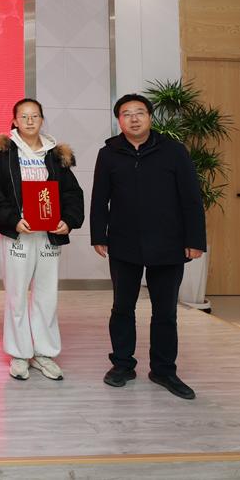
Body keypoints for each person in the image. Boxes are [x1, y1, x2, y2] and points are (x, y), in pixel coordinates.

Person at [91, 93, 206, 400]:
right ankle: (122, 365)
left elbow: (191, 198)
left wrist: (195, 240)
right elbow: (100, 197)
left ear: (150, 117)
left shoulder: (174, 151)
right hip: (124, 243)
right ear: (119, 121)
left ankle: (164, 370)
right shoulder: (109, 153)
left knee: (165, 311)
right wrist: (98, 235)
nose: (134, 118)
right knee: (122, 308)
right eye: (126, 114)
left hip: (169, 244)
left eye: (139, 112)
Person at [0, 98, 84, 381]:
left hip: (48, 235)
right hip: (19, 233)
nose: (29, 121)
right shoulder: (4, 154)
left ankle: (44, 352)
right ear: (14, 121)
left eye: (35, 116)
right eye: (24, 116)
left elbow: (72, 193)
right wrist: (13, 219)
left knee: (46, 295)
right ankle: (19, 354)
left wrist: (69, 220)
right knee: (16, 295)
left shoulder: (56, 154)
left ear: (42, 120)